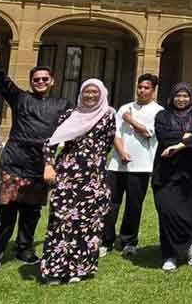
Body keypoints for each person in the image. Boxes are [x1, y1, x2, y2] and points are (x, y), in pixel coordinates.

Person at [0, 32, 69, 272]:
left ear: (52, 82)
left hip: (40, 165)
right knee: (5, 209)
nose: (40, 82)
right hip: (13, 161)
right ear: (31, 82)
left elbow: (78, 125)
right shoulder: (20, 98)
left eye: (44, 79)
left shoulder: (62, 105)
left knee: (31, 212)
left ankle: (25, 249)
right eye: (36, 79)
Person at [39, 79, 116, 284]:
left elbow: (107, 143)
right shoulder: (69, 115)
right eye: (87, 92)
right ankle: (55, 270)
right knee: (61, 220)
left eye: (95, 92)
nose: (90, 96)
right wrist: (49, 165)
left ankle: (79, 269)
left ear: (102, 94)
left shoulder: (108, 115)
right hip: (67, 175)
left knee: (88, 222)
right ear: (81, 93)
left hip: (93, 177)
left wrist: (94, 163)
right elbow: (49, 143)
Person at [103, 73, 163, 256]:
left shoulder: (158, 111)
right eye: (140, 87)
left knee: (133, 204)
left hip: (142, 166)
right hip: (117, 164)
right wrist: (121, 152)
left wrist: (131, 120)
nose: (142, 91)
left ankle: (129, 241)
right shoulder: (124, 108)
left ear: (153, 90)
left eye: (146, 88)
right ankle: (106, 240)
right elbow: (116, 133)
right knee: (110, 203)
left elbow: (148, 133)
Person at [153, 82, 192, 272]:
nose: (181, 99)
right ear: (172, 97)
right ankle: (172, 253)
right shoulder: (162, 115)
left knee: (187, 213)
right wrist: (187, 136)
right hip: (165, 172)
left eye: (185, 96)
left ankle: (184, 247)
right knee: (167, 211)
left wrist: (180, 145)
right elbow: (164, 136)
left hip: (190, 173)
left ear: (190, 98)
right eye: (178, 95)